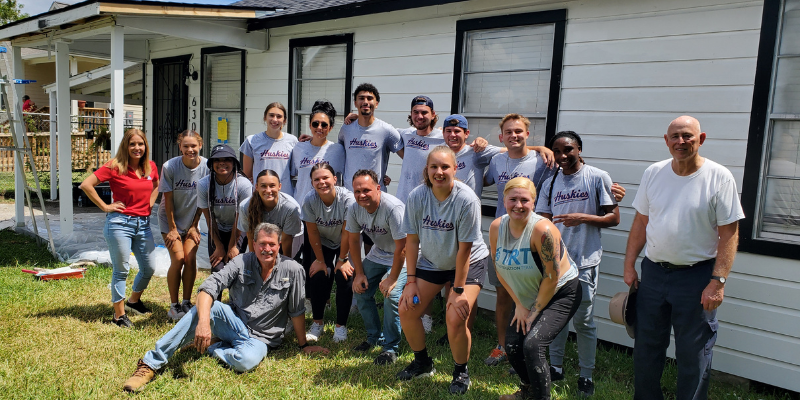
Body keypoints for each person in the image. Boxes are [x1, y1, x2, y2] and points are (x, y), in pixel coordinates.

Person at [122, 223, 329, 393]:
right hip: (234, 322)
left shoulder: (293, 270)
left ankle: (213, 346)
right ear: (254, 244)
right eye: (262, 244)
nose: (267, 249)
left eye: (272, 244)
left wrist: (303, 345)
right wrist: (203, 323)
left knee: (246, 361)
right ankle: (150, 364)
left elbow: (296, 311)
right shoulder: (241, 261)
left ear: (279, 245)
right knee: (203, 309)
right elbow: (207, 289)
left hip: (261, 339)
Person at [623, 116, 743, 400]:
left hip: (697, 277)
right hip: (653, 273)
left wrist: (718, 280)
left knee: (694, 351)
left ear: (701, 139)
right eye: (675, 136)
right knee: (647, 347)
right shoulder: (653, 173)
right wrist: (629, 264)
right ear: (666, 141)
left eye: (688, 136)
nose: (681, 142)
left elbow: (730, 233)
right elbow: (641, 222)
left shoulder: (719, 177)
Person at [396, 145, 490, 395]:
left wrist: (457, 291)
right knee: (406, 309)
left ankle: (461, 370)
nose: (439, 171)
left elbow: (465, 250)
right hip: (433, 261)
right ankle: (422, 363)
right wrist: (411, 281)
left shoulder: (467, 199)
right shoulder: (417, 196)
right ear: (426, 170)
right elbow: (412, 241)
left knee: (455, 316)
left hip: (467, 262)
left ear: (455, 168)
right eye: (434, 166)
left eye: (445, 166)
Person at [535, 131, 621, 396]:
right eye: (557, 151)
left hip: (585, 261)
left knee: (583, 320)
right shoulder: (550, 182)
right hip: (557, 264)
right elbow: (544, 220)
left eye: (568, 150)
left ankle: (586, 374)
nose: (562, 156)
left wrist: (582, 217)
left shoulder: (597, 177)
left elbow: (613, 218)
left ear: (579, 149)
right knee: (557, 318)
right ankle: (557, 366)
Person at [490, 177, 581, 400]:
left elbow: (552, 276)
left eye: (525, 200)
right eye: (513, 199)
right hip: (528, 295)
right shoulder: (496, 227)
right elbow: (500, 269)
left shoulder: (543, 230)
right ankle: (528, 390)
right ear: (504, 199)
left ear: (534, 202)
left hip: (560, 291)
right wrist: (520, 305)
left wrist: (535, 311)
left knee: (532, 345)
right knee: (512, 345)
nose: (518, 205)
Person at [483, 114, 553, 367]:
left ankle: (529, 348)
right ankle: (503, 346)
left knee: (535, 297)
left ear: (528, 135)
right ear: (501, 137)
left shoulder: (543, 162)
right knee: (503, 296)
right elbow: (481, 178)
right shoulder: (496, 161)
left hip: (532, 239)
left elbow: (569, 172)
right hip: (503, 237)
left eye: (519, 131)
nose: (514, 135)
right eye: (509, 132)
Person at [79, 128, 159, 328]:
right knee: (121, 269)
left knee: (149, 267)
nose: (137, 148)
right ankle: (119, 316)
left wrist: (149, 204)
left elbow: (157, 185)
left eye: (140, 144)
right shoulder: (115, 166)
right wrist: (105, 206)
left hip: (143, 225)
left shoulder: (150, 167)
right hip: (119, 224)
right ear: (125, 146)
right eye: (132, 144)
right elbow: (86, 185)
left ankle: (133, 301)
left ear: (145, 146)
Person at [345, 169, 407, 365]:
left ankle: (391, 347)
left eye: (366, 190)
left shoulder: (393, 208)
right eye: (357, 191)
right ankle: (374, 337)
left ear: (378, 188)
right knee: (360, 290)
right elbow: (353, 242)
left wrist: (392, 278)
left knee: (392, 294)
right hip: (379, 253)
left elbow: (403, 248)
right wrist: (359, 274)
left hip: (406, 256)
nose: (361, 195)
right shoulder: (354, 208)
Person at [301, 163, 356, 343]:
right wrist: (319, 260)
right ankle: (317, 323)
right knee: (317, 275)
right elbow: (312, 232)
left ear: (334, 179)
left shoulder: (348, 199)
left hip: (345, 240)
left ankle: (341, 327)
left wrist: (342, 259)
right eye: (317, 179)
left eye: (325, 178)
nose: (322, 182)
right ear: (311, 183)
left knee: (344, 276)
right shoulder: (309, 200)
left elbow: (348, 231)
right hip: (322, 242)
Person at [157, 130, 209, 321]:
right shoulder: (170, 166)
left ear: (200, 146)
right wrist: (172, 229)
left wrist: (195, 225)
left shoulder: (206, 167)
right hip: (169, 220)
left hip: (192, 220)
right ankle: (173, 305)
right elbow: (167, 199)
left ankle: (187, 302)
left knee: (190, 257)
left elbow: (203, 199)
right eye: (186, 146)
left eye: (193, 146)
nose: (190, 150)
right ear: (180, 147)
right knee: (178, 259)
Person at [197, 144, 252, 273]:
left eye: (226, 159)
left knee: (235, 267)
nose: (222, 163)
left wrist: (232, 246)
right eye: (217, 160)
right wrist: (219, 246)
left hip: (239, 228)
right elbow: (209, 218)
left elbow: (240, 218)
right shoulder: (204, 184)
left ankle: (236, 293)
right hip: (217, 229)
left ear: (234, 163)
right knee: (217, 269)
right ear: (211, 164)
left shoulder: (243, 184)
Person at [338, 83, 402, 192]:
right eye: (361, 98)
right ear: (355, 103)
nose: (365, 102)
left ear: (376, 104)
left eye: (370, 98)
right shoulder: (346, 129)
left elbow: (408, 157)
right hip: (349, 195)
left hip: (375, 196)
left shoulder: (386, 130)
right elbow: (338, 154)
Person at [291, 100, 345, 206]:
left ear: (330, 128)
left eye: (324, 125)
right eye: (315, 124)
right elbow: (290, 175)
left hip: (328, 210)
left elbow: (350, 174)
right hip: (302, 208)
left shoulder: (338, 150)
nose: (319, 127)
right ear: (310, 125)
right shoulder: (298, 148)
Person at [238, 169, 303, 258]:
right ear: (256, 187)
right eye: (263, 186)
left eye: (272, 186)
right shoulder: (245, 206)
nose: (268, 190)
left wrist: (286, 264)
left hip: (291, 236)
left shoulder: (290, 207)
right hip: (264, 237)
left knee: (287, 264)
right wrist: (254, 260)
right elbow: (251, 236)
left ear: (279, 186)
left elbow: (286, 240)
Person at [240, 102, 298, 196]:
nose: (275, 119)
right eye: (271, 115)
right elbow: (247, 174)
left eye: (279, 116)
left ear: (284, 120)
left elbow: (292, 173)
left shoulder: (293, 141)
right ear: (265, 117)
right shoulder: (252, 141)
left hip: (285, 197)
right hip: (261, 196)